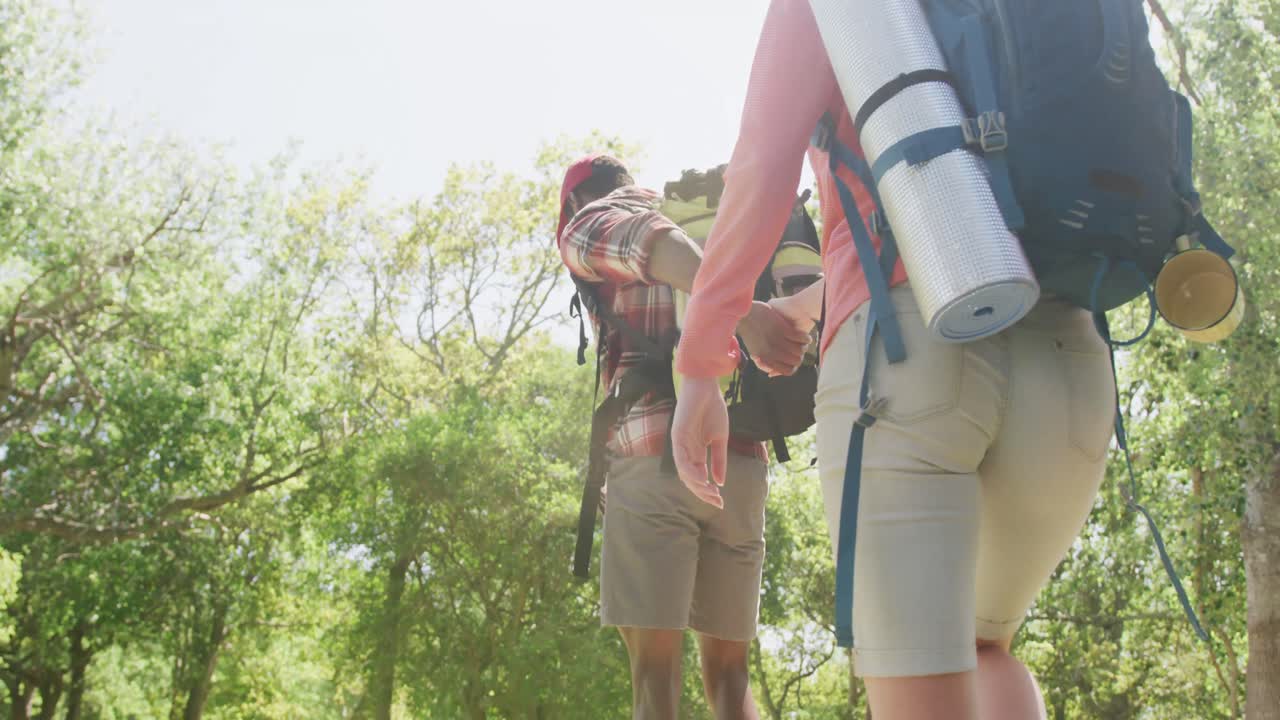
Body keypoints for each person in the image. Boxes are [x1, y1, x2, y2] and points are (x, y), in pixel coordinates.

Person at [668, 2, 1116, 719]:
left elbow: (762, 165)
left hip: (907, 351)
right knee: (988, 647)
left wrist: (699, 365)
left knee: (925, 673)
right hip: (1068, 350)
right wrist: (810, 304)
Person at [555, 154, 810, 720]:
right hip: (740, 461)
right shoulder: (706, 213)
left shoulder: (592, 218)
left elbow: (650, 243)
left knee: (654, 675)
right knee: (731, 676)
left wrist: (741, 314)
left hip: (653, 458)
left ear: (574, 201)